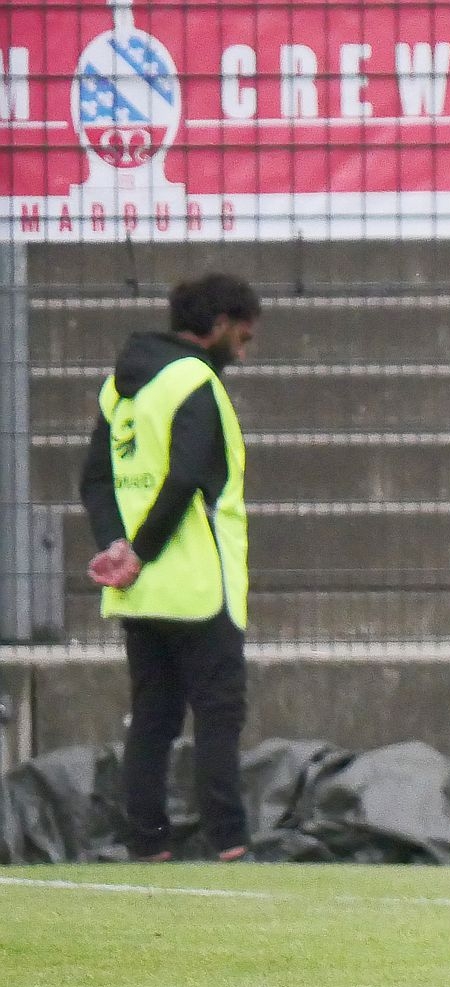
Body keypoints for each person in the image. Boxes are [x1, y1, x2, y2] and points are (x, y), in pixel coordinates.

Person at [78, 273, 258, 865]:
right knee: (218, 714)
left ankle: (148, 842)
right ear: (219, 325)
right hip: (200, 582)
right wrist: (142, 551)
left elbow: (95, 480)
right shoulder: (194, 381)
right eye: (242, 335)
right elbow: (187, 479)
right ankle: (229, 842)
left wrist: (117, 546)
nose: (244, 350)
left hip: (140, 590)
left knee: (153, 717)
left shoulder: (120, 386)